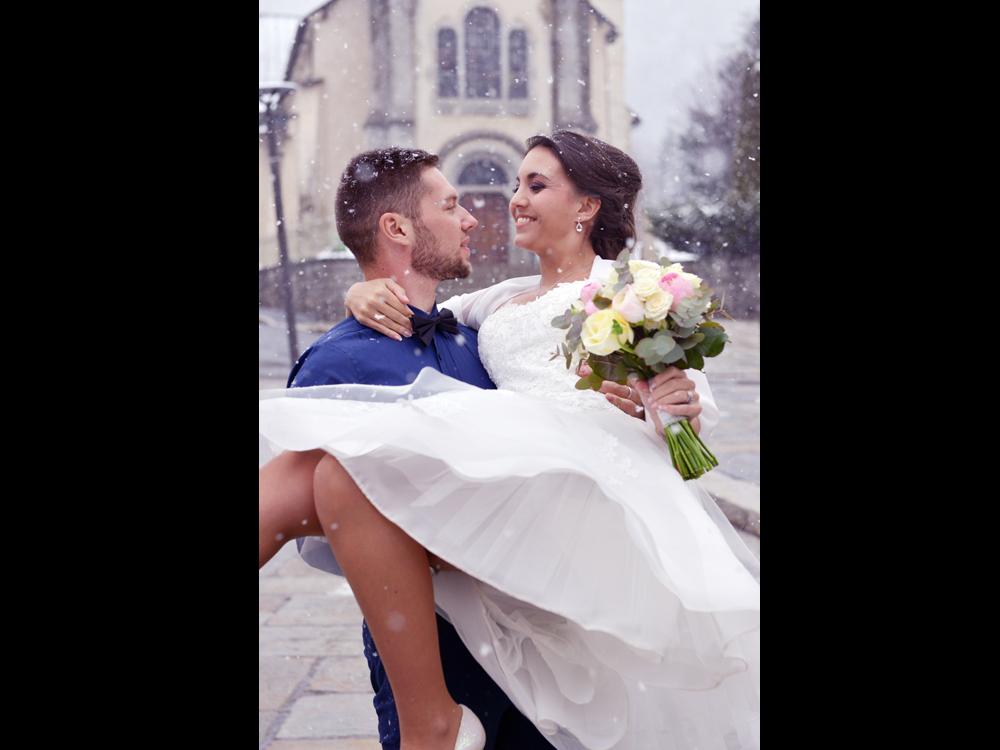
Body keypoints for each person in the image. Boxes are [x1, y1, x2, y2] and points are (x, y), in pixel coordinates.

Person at [259, 133, 760, 750]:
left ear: (587, 207)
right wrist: (359, 289)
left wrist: (672, 407)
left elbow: (686, 403)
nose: (512, 199)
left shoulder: (634, 290)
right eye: (517, 183)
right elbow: (418, 298)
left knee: (339, 466)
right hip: (515, 478)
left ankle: (436, 725)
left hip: (581, 489)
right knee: (321, 473)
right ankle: (437, 722)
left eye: (536, 185)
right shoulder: (494, 302)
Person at [260, 147, 560, 750]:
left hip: (534, 652)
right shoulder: (339, 363)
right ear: (396, 228)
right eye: (451, 205)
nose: (473, 217)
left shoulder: (479, 337)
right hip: (438, 659)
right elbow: (333, 530)